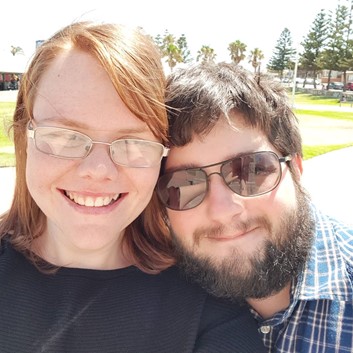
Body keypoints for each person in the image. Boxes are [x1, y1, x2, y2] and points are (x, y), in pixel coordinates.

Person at [0, 23, 266, 353]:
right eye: (66, 137)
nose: (98, 171)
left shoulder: (209, 305)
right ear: (25, 136)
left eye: (131, 142)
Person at [156, 62, 353, 353]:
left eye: (250, 171)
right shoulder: (152, 299)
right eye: (185, 184)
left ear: (296, 168)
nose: (222, 210)